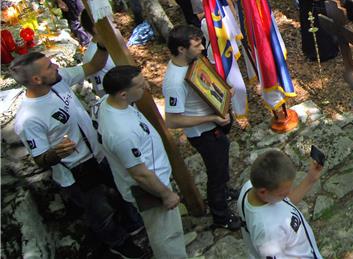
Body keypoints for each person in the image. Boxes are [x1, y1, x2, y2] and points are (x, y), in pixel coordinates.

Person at [11, 51, 147, 259]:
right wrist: (56, 153)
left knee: (122, 189)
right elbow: (40, 159)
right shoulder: (28, 119)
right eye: (49, 66)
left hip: (99, 154)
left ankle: (135, 225)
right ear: (36, 79)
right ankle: (119, 243)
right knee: (100, 212)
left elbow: (93, 65)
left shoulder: (58, 79)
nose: (55, 66)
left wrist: (101, 43)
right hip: (77, 171)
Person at [97, 66, 188, 258]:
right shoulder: (121, 133)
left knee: (169, 227)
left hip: (156, 176)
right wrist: (166, 195)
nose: (146, 86)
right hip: (150, 188)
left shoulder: (108, 101)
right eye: (140, 85)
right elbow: (140, 173)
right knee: (165, 235)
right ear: (123, 94)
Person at [163, 25, 242, 230]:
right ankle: (221, 216)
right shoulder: (174, 82)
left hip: (214, 123)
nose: (202, 47)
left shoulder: (192, 60)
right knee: (215, 173)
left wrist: (224, 91)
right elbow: (172, 121)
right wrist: (211, 118)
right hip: (203, 133)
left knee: (222, 163)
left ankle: (225, 192)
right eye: (197, 44)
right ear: (181, 49)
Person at [237, 149, 323, 259]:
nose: (289, 193)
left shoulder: (250, 187)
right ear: (263, 191)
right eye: (283, 194)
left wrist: (310, 179)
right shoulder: (268, 233)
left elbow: (286, 203)